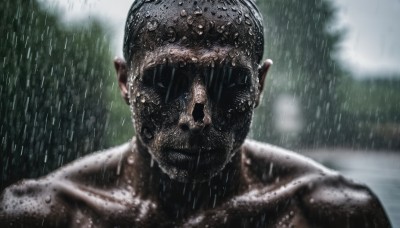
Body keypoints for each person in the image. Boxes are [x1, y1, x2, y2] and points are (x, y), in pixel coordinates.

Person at [0, 0, 391, 227]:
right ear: (124, 81)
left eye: (227, 81)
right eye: (166, 79)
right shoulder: (44, 215)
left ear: (260, 85)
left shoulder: (331, 214)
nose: (197, 115)